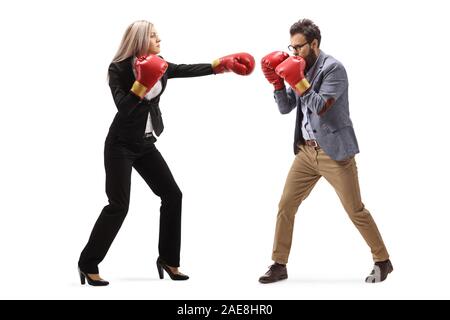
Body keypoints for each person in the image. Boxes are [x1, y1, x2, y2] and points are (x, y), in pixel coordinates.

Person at [78, 20, 255, 286]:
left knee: (172, 195)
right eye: (152, 35)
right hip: (120, 145)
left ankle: (169, 260)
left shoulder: (159, 63)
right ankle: (87, 263)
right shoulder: (118, 68)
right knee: (119, 206)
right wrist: (141, 83)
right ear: (138, 39)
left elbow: (185, 69)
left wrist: (222, 65)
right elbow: (124, 107)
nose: (158, 38)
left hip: (145, 144)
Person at [258, 19, 392, 284]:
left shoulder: (334, 69)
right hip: (306, 153)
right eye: (291, 47)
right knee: (286, 205)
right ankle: (279, 264)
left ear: (314, 44)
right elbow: (286, 108)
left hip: (334, 153)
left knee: (355, 209)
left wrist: (297, 79)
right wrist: (276, 82)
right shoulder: (297, 66)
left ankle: (383, 260)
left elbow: (321, 107)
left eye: (299, 47)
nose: (294, 52)